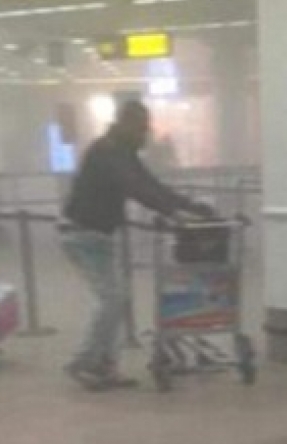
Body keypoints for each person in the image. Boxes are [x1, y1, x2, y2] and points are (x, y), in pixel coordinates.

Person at [59, 101, 214, 391]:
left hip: (97, 235)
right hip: (82, 234)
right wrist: (173, 211)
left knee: (116, 298)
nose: (146, 133)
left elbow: (151, 184)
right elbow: (137, 188)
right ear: (127, 124)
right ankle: (85, 362)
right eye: (142, 127)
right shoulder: (108, 152)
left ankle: (104, 364)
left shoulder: (122, 152)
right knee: (111, 298)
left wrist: (189, 206)